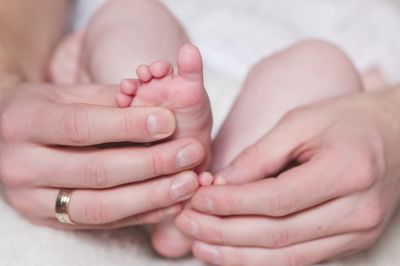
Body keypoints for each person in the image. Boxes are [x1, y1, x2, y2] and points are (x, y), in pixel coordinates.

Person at [2, 1, 400, 266]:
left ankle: (188, 178)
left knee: (322, 61)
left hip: (266, 114)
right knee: (133, 11)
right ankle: (181, 166)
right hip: (185, 63)